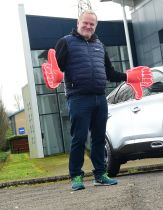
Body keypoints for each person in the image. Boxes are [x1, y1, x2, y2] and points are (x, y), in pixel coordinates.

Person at [43, 10, 152, 191]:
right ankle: (76, 176)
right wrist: (54, 75)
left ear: (95, 26)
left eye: (92, 24)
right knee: (78, 138)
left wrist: (129, 77)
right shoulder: (66, 42)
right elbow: (58, 69)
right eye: (85, 23)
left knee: (99, 138)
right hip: (78, 98)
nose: (88, 26)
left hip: (100, 98)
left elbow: (109, 73)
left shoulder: (100, 46)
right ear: (78, 23)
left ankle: (100, 174)